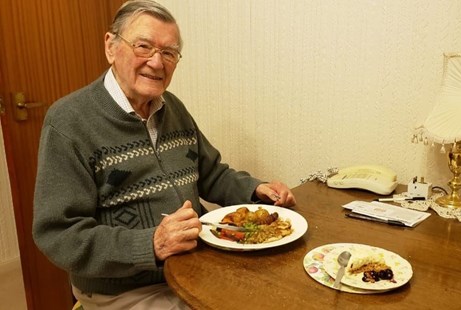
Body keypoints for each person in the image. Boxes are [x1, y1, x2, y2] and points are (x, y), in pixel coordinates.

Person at [32, 0, 296, 308]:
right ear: (111, 47)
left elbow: (212, 174)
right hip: (125, 289)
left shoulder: (173, 107)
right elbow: (58, 234)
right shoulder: (69, 121)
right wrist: (151, 245)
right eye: (143, 46)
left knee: (275, 292)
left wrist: (254, 189)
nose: (157, 63)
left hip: (192, 265)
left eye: (169, 52)